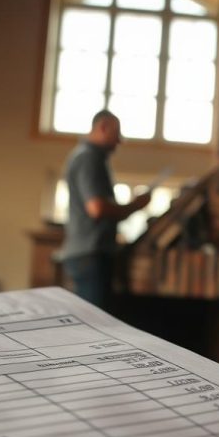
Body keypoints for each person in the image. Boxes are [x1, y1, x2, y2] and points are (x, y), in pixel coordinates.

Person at [57, 110, 151, 311]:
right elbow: (97, 209)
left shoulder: (92, 158)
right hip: (89, 254)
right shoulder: (88, 158)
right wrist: (135, 206)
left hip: (91, 253)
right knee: (94, 324)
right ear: (103, 127)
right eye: (116, 134)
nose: (120, 140)